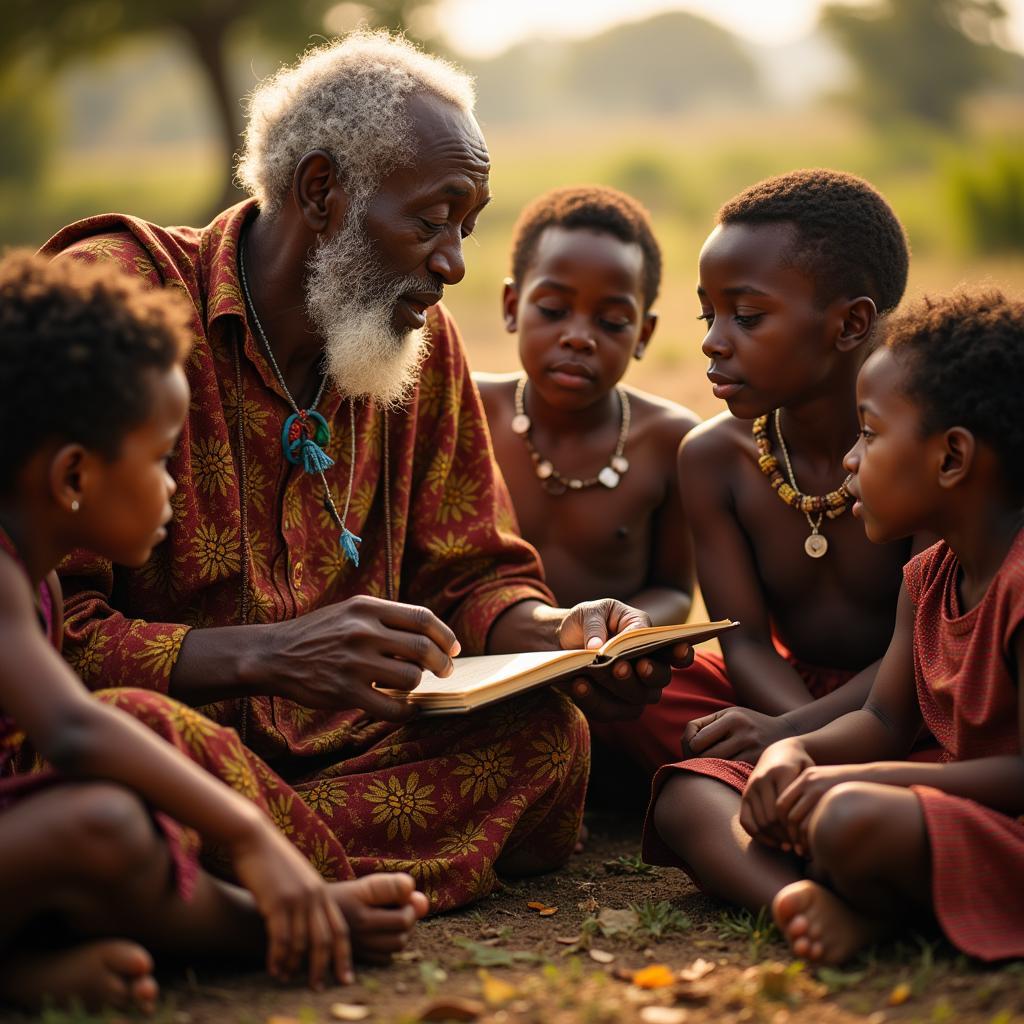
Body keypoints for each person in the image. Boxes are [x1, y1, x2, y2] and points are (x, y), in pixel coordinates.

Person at [40, 31, 686, 913]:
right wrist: (265, 655)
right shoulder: (121, 299)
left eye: (468, 226)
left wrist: (561, 634)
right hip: (158, 734)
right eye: (430, 220)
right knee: (121, 746)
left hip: (354, 748)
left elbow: (476, 573)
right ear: (321, 190)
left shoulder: (419, 340)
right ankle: (224, 874)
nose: (454, 262)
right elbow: (49, 632)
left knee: (549, 740)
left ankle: (195, 877)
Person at [0, 252, 426, 1013]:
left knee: (118, 821)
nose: (173, 484)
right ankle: (275, 925)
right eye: (163, 459)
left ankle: (36, 971)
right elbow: (69, 728)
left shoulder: (38, 571)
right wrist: (251, 833)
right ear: (72, 478)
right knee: (113, 788)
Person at [652, 289, 1024, 964]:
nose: (852, 459)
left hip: (1000, 823)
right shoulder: (930, 573)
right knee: (689, 794)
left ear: (951, 459)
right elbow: (884, 720)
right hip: (933, 797)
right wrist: (795, 755)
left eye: (872, 434)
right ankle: (840, 898)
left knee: (851, 817)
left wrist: (869, 783)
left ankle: (869, 910)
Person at [628, 169, 917, 774]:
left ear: (851, 324)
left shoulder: (920, 452)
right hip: (776, 692)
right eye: (707, 316)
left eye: (748, 317)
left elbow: (924, 648)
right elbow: (746, 642)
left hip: (907, 693)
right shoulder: (712, 458)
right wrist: (786, 731)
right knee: (638, 695)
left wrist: (794, 740)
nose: (714, 342)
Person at [475, 185, 707, 773]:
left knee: (700, 727)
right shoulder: (467, 409)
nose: (579, 335)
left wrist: (622, 633)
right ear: (511, 305)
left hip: (608, 675)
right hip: (485, 669)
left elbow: (676, 586)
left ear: (644, 335)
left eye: (610, 321)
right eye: (553, 310)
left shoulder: (671, 439)